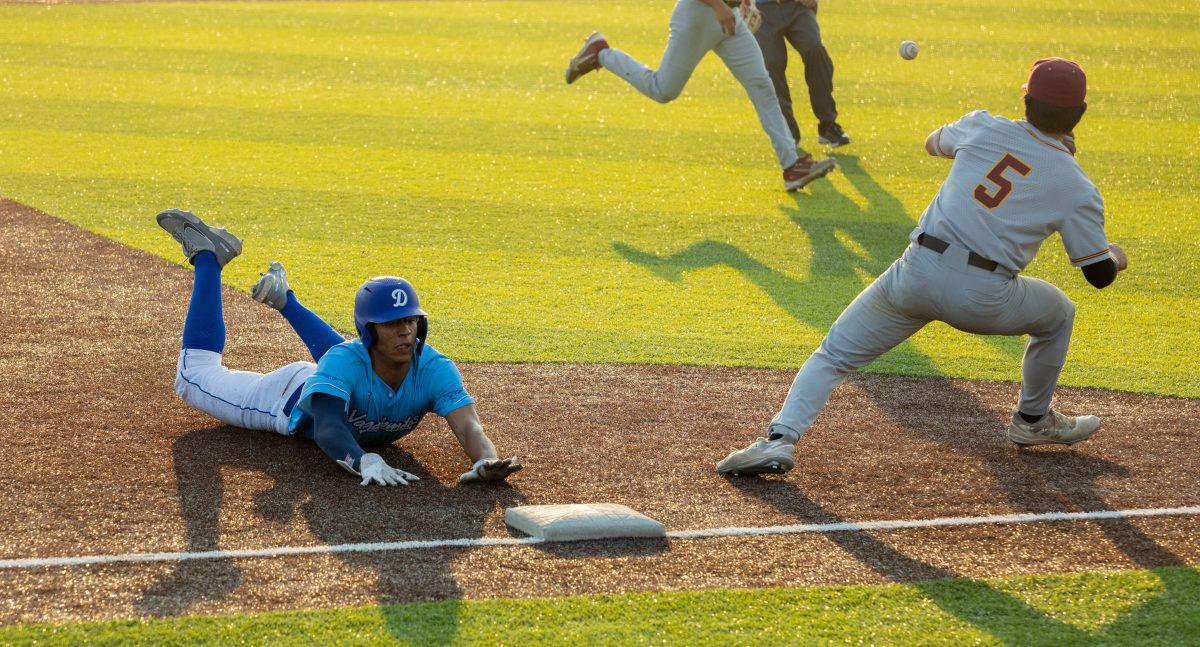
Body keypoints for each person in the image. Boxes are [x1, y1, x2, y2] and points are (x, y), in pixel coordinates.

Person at [717, 57, 1127, 475]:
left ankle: (780, 439)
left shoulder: (983, 125)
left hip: (915, 273)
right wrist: (1115, 256)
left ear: (1026, 99)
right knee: (1058, 313)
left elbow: (933, 143)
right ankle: (1033, 420)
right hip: (984, 297)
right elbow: (1097, 274)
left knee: (833, 354)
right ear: (1080, 114)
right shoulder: (1077, 186)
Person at [158, 209, 522, 486]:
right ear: (370, 327)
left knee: (356, 360)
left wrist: (483, 461)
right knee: (193, 377)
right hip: (285, 399)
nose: (406, 332)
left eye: (410, 321)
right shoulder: (346, 361)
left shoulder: (434, 368)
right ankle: (208, 256)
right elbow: (329, 427)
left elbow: (469, 427)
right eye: (393, 324)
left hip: (344, 368)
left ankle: (286, 300)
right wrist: (364, 460)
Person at [565, 0, 836, 191]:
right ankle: (600, 53)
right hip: (699, 13)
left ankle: (792, 165)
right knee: (663, 89)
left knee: (761, 84)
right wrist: (719, 6)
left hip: (729, 18)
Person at [752, 0, 850, 148]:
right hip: (763, 8)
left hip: (798, 6)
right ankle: (788, 131)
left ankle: (828, 125)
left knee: (815, 50)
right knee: (772, 64)